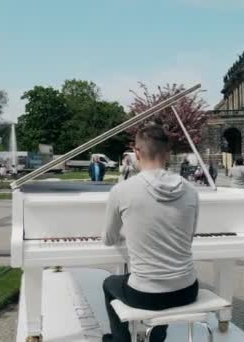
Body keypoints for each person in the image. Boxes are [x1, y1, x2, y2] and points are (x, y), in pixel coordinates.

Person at [101, 125, 199, 342]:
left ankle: (120, 340)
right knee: (160, 282)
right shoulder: (191, 191)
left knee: (109, 284)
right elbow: (188, 238)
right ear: (168, 153)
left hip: (145, 295)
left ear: (136, 152)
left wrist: (131, 233)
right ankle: (156, 338)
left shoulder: (121, 190)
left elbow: (108, 239)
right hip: (187, 291)